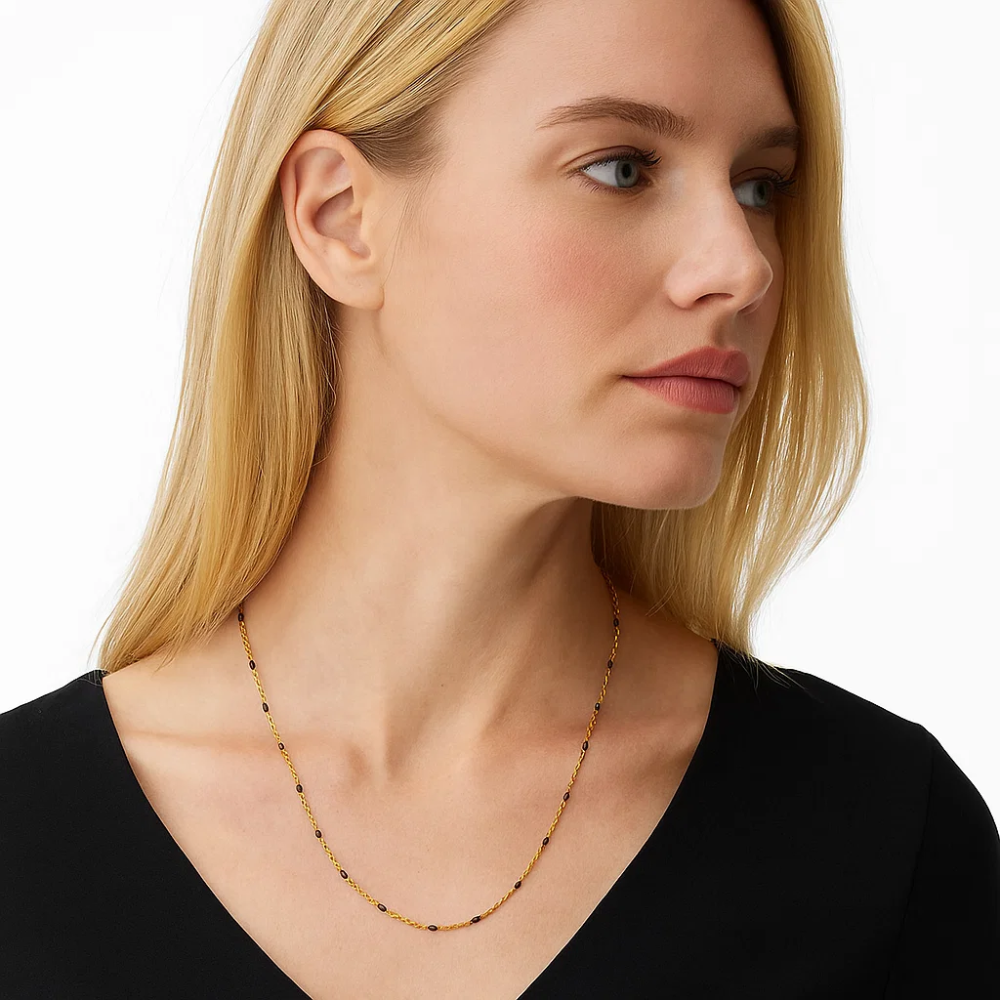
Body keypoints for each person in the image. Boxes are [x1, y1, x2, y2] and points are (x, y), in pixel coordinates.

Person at [2, 0, 998, 996]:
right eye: (622, 168)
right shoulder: (24, 843)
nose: (743, 265)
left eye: (759, 185)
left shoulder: (883, 845)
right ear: (339, 217)